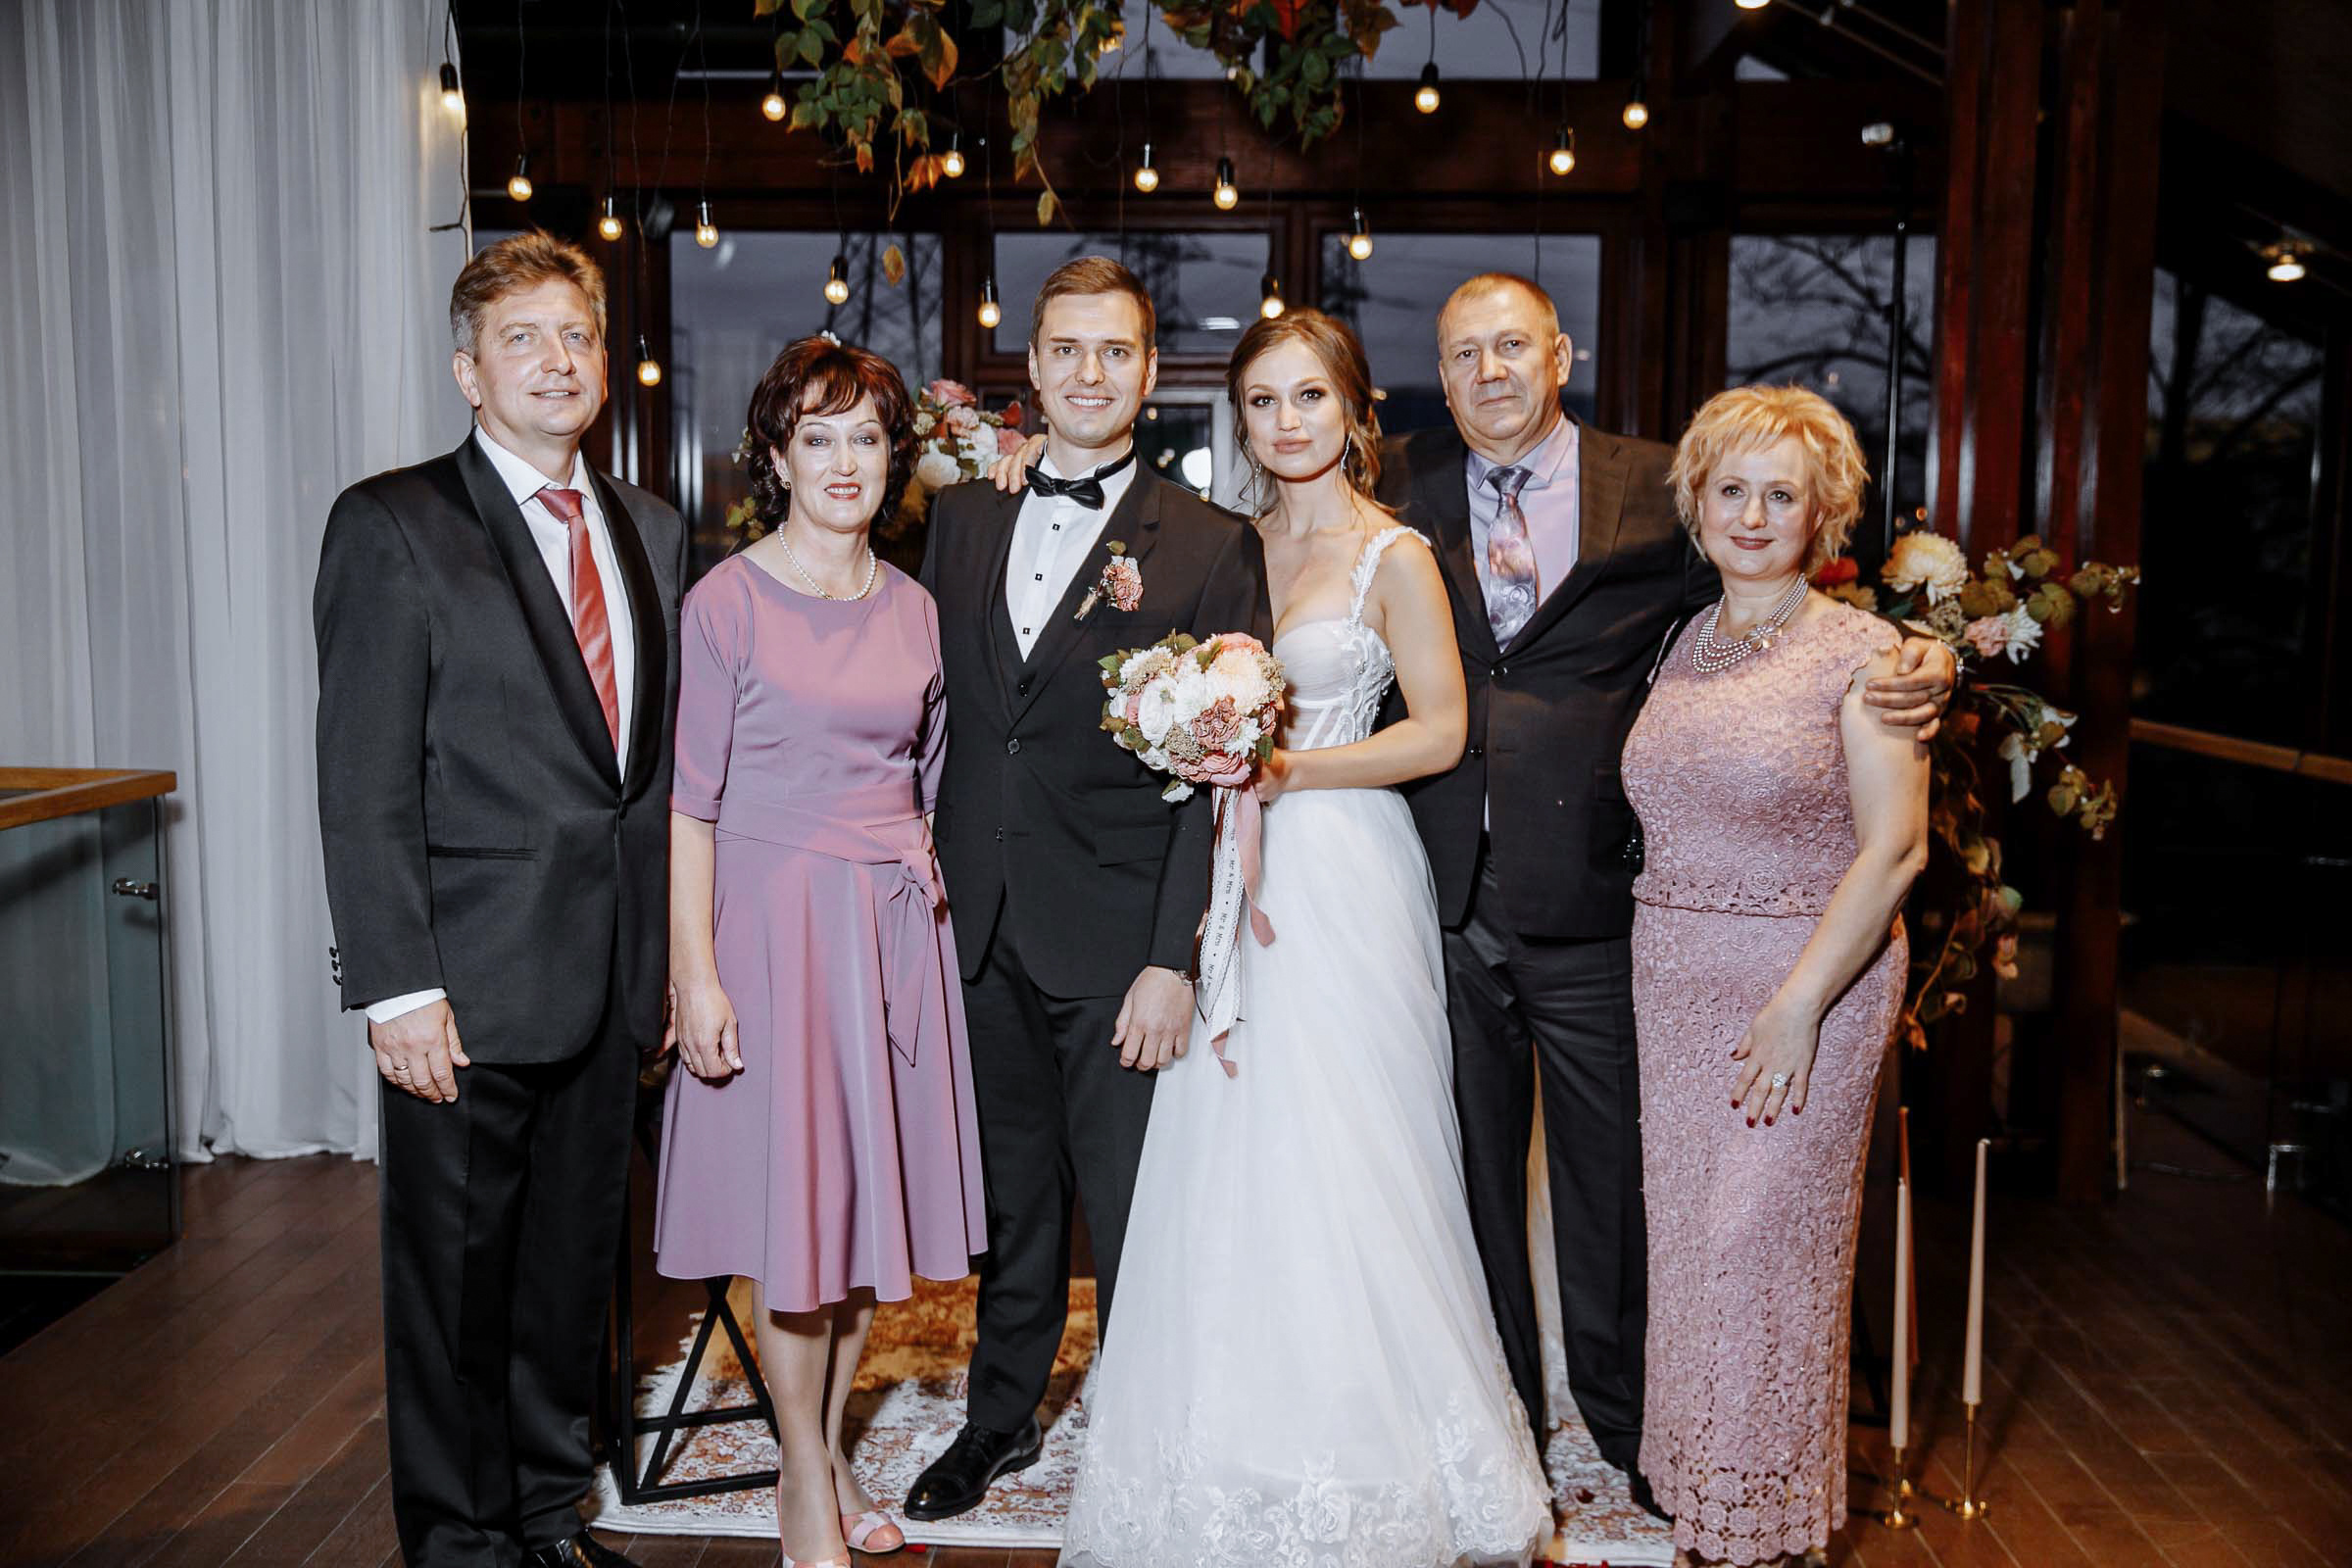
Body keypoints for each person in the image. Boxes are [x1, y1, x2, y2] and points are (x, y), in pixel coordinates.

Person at [1375, 273, 1953, 1502]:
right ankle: (1504, 1426)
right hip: (1445, 900)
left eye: (1513, 346)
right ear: (1441, 366)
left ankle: (1643, 1429)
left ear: (1561, 353)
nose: (1490, 372)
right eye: (1464, 350)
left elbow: (1786, 611)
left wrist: (1927, 650)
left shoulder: (1667, 485)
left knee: (1628, 1192)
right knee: (1468, 1177)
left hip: (1603, 907)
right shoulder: (1398, 486)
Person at [1057, 310, 1552, 1568]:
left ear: (1354, 411)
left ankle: (1378, 1453)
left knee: (1351, 1148)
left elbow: (1440, 731)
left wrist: (1287, 767)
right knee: (1225, 1151)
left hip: (1341, 871)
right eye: (1263, 403)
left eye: (1308, 400)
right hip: (1227, 870)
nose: (1286, 424)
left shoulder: (1394, 554)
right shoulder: (1226, 546)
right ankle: (1234, 1440)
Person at [315, 232, 680, 1568]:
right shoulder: (393, 521)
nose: (556, 360)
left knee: (570, 1282)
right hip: (461, 991)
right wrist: (398, 987)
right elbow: (362, 779)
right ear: (470, 372)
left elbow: (638, 777)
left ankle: (543, 1516)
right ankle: (461, 1546)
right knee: (454, 1292)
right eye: (521, 338)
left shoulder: (649, 526)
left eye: (575, 336)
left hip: (605, 983)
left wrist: (664, 969)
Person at [905, 257, 1262, 1522]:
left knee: (1132, 1212)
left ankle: (1149, 1431)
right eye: (1067, 350)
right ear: (1034, 365)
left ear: (1151, 373)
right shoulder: (958, 518)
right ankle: (996, 1421)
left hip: (1119, 940)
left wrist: (1174, 956)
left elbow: (1220, 779)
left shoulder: (1214, 545)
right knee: (1009, 1204)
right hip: (978, 925)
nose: (1090, 373)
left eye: (1115, 352)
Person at [657, 338, 986, 1568]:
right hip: (775, 929)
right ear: (778, 457)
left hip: (893, 934)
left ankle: (831, 1445)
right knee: (797, 1231)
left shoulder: (915, 611)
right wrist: (696, 974)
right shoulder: (725, 601)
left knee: (857, 1236)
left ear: (893, 458)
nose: (845, 461)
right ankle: (805, 1477)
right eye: (818, 436)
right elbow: (690, 805)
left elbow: (928, 781)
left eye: (866, 437)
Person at [1621, 385, 1930, 1565]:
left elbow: (1896, 847)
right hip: (1677, 982)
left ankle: (1766, 1530)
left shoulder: (1867, 657)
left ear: (1824, 514)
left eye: (1782, 494)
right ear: (1697, 504)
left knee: (1763, 1246)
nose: (1754, 515)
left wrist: (1800, 1007)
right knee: (1697, 1250)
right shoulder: (1680, 640)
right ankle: (1710, 1511)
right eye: (1732, 489)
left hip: (1808, 988)